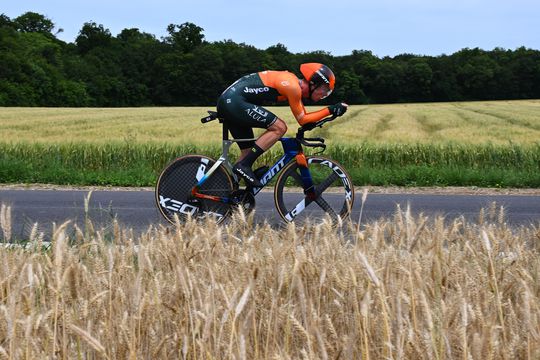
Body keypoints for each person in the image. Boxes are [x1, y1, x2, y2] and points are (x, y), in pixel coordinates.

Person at [217, 63, 348, 187]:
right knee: (279, 127)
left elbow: (306, 119)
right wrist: (330, 109)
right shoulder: (293, 86)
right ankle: (244, 166)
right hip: (233, 102)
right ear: (313, 83)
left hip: (232, 101)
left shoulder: (293, 84)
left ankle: (227, 191)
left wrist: (327, 114)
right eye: (324, 89)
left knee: (247, 152)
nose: (324, 94)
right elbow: (303, 119)